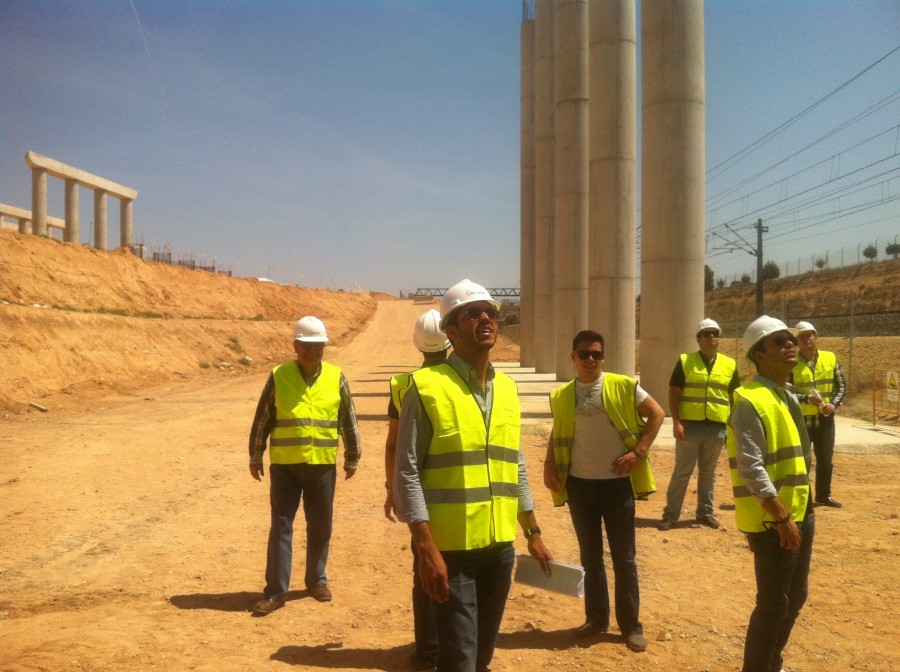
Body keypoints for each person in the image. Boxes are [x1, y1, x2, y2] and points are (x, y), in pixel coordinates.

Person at [393, 279, 553, 672]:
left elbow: (514, 464)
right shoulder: (426, 387)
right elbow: (406, 469)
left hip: (498, 547)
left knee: (481, 656)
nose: (486, 318)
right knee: (459, 659)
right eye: (473, 313)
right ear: (451, 330)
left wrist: (532, 532)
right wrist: (425, 548)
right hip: (451, 550)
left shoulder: (509, 391)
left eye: (491, 313)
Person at [543, 330, 665, 653]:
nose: (590, 359)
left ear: (604, 357)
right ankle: (596, 619)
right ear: (573, 358)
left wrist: (639, 452)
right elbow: (559, 430)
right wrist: (548, 462)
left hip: (616, 486)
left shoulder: (623, 386)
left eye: (596, 354)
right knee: (591, 557)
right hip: (581, 486)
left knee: (624, 559)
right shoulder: (563, 396)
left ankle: (631, 626)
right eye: (583, 354)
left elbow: (658, 414)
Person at [248, 315, 361, 614]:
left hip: (322, 466)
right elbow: (263, 417)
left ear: (324, 346)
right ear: (295, 346)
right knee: (281, 526)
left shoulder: (336, 377)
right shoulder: (279, 375)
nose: (312, 351)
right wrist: (255, 455)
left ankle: (316, 579)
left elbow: (347, 418)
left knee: (321, 525)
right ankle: (275, 592)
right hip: (285, 467)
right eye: (306, 345)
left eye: (318, 345)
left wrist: (353, 455)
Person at [726, 315, 814, 672]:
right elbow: (751, 466)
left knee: (795, 597)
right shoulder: (749, 399)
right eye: (778, 341)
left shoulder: (784, 394)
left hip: (800, 512)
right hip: (773, 521)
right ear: (758, 355)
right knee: (774, 604)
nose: (789, 344)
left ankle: (770, 662)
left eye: (789, 339)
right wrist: (780, 517)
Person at [384, 308, 449, 671]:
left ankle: (427, 652)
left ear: (418, 346)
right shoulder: (464, 380)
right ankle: (453, 646)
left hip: (418, 491)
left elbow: (393, 445)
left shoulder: (402, 384)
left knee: (424, 567)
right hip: (457, 490)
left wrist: (392, 488)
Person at [659, 318, 740, 531]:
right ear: (698, 339)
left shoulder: (730, 365)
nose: (712, 337)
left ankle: (705, 513)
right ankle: (670, 515)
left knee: (708, 472)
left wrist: (732, 428)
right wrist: (676, 421)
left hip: (716, 428)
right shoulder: (686, 361)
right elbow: (674, 392)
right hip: (690, 427)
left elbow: (734, 398)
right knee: (682, 471)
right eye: (707, 334)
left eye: (715, 333)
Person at [790, 320, 846, 508]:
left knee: (825, 460)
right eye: (802, 337)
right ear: (797, 341)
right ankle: (803, 498)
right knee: (803, 460)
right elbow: (786, 392)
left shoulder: (830, 358)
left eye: (809, 335)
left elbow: (841, 386)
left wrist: (833, 404)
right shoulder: (791, 363)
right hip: (803, 421)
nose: (806, 339)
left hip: (825, 420)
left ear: (816, 337)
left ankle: (823, 496)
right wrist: (806, 398)